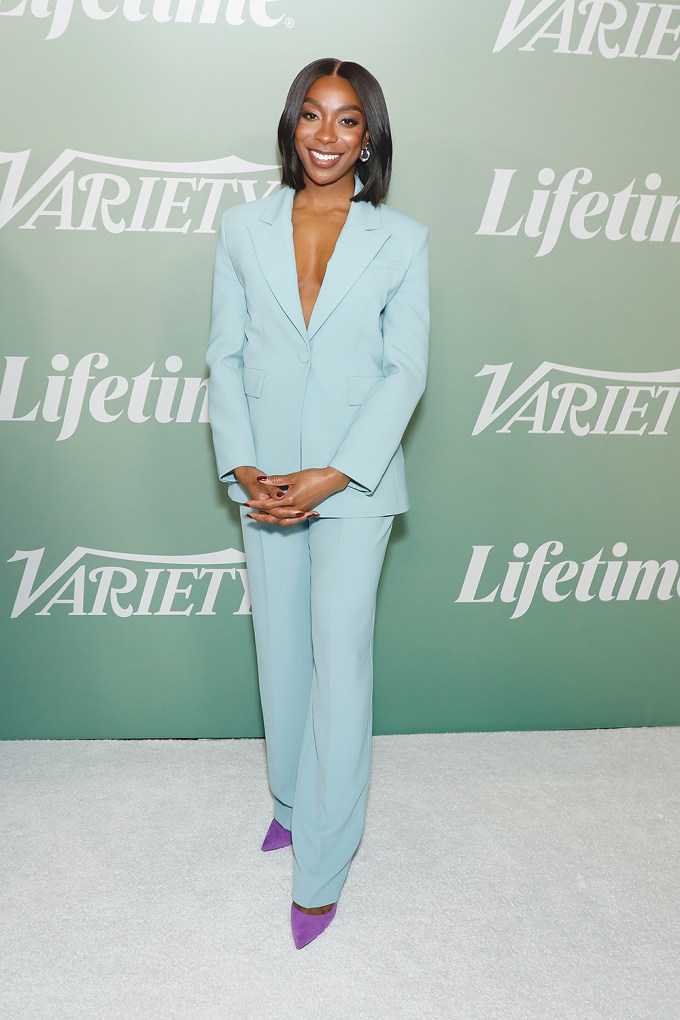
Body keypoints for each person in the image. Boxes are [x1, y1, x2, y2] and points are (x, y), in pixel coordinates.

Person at [206, 57, 430, 949]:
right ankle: (292, 801)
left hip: (356, 483)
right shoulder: (240, 229)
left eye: (345, 120)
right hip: (266, 477)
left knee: (340, 664)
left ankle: (323, 866)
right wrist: (246, 465)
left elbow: (406, 370)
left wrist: (335, 473)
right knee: (281, 655)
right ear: (290, 128)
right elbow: (224, 355)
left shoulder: (402, 240)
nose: (326, 136)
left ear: (367, 136)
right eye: (310, 116)